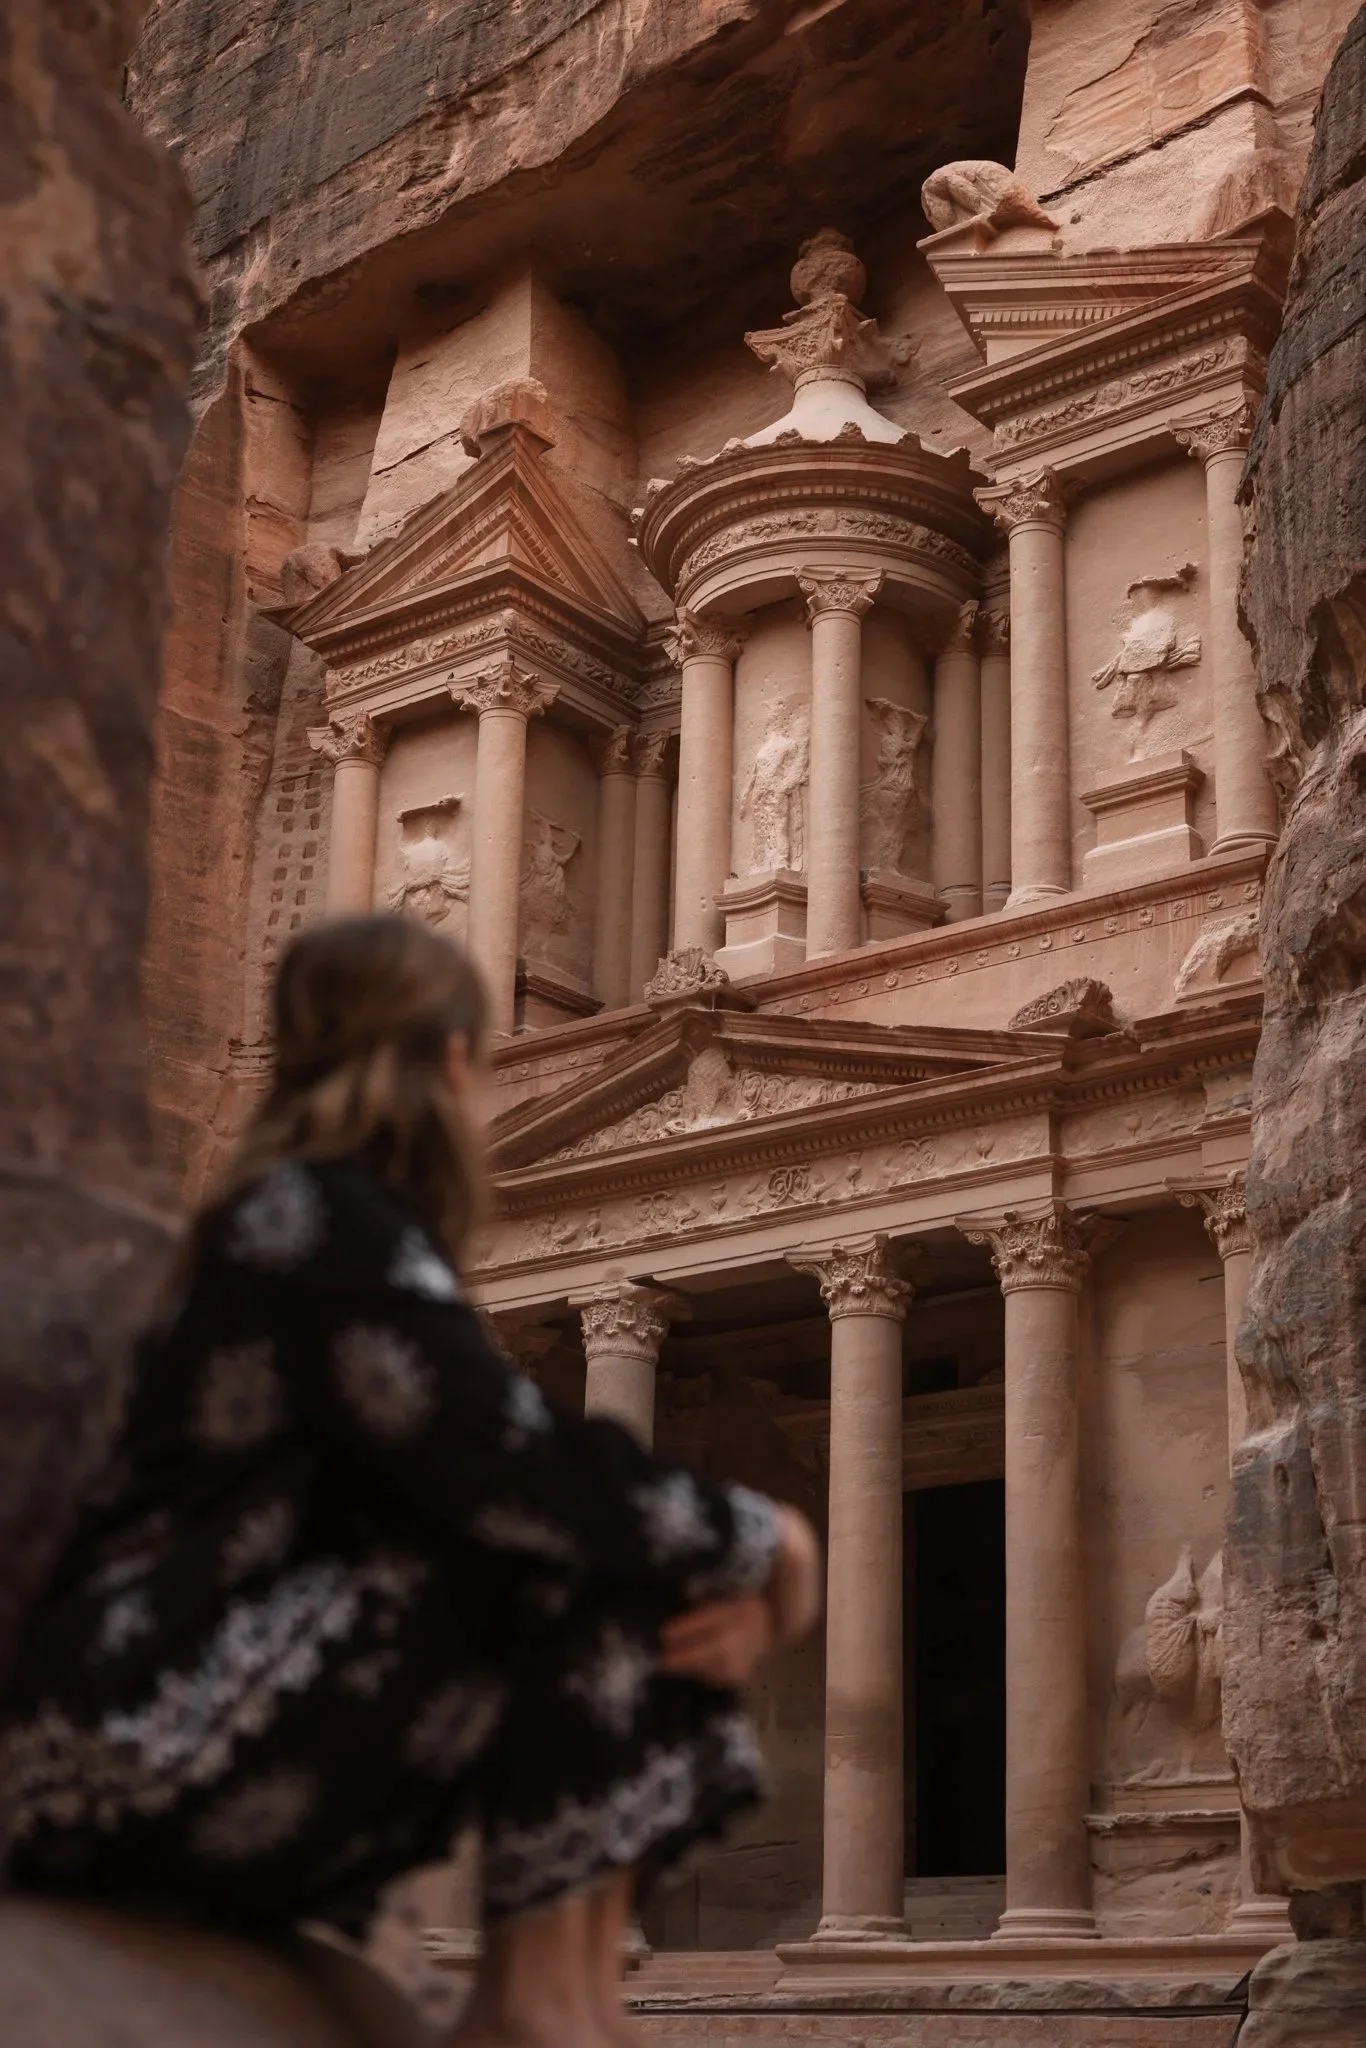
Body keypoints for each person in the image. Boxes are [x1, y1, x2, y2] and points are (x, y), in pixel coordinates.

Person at [0, 915, 821, 2047]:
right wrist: (768, 1542)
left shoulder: (298, 1218)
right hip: (136, 1737)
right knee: (567, 1555)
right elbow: (505, 1460)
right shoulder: (323, 1217)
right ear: (448, 1061)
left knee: (586, 1548)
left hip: (150, 1715)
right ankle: (541, 2003)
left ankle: (563, 1994)